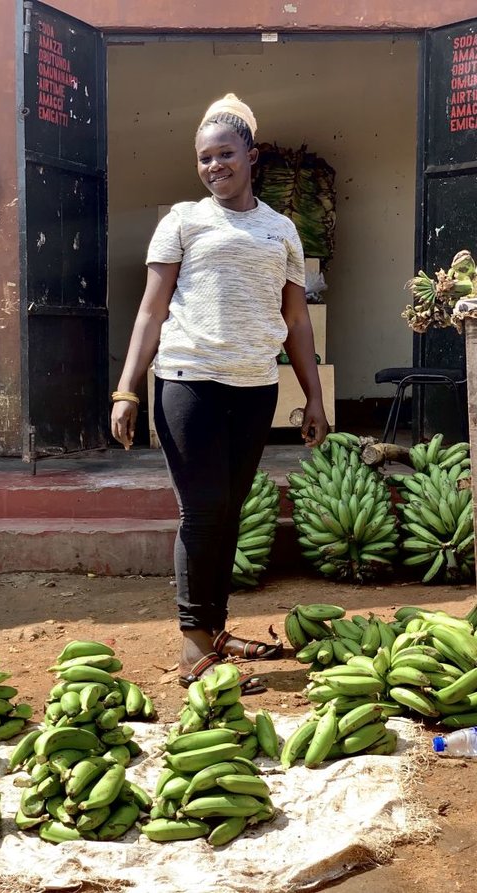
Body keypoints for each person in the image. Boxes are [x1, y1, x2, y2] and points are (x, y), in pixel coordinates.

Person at [111, 93, 328, 693]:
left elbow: (298, 321)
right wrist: (126, 389)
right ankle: (191, 647)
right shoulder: (182, 220)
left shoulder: (280, 229)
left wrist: (312, 396)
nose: (214, 167)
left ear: (250, 156)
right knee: (202, 512)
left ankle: (216, 629)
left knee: (229, 513)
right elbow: (150, 312)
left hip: (255, 387)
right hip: (188, 384)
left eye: (225, 154)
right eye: (204, 158)